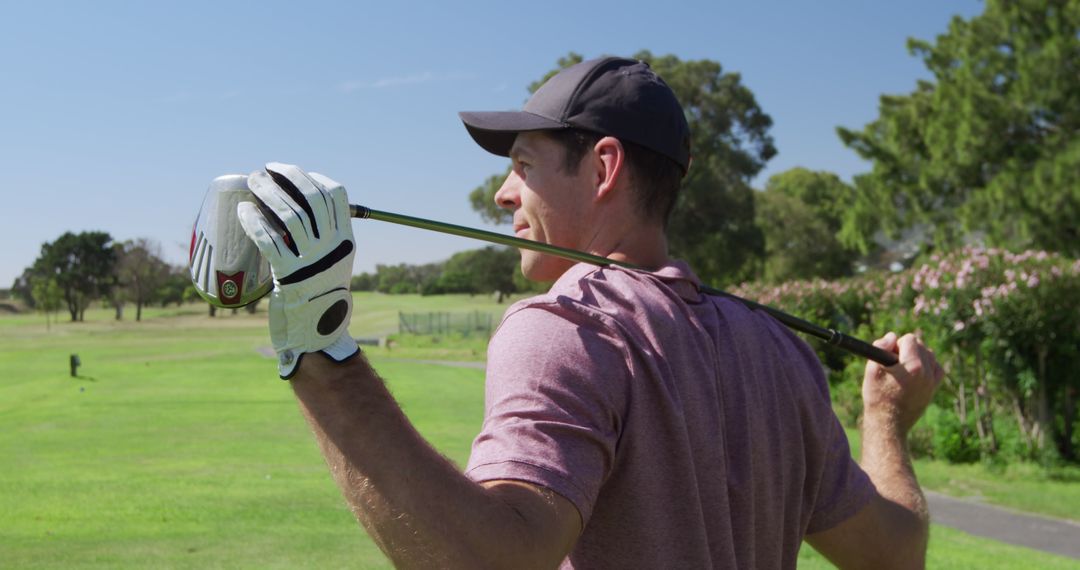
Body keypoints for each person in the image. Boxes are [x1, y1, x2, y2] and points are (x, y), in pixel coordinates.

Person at [233, 57, 944, 569]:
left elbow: (495, 559)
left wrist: (317, 348)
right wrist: (886, 421)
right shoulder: (779, 349)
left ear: (603, 168)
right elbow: (894, 551)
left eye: (523, 164)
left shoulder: (566, 327)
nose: (504, 195)